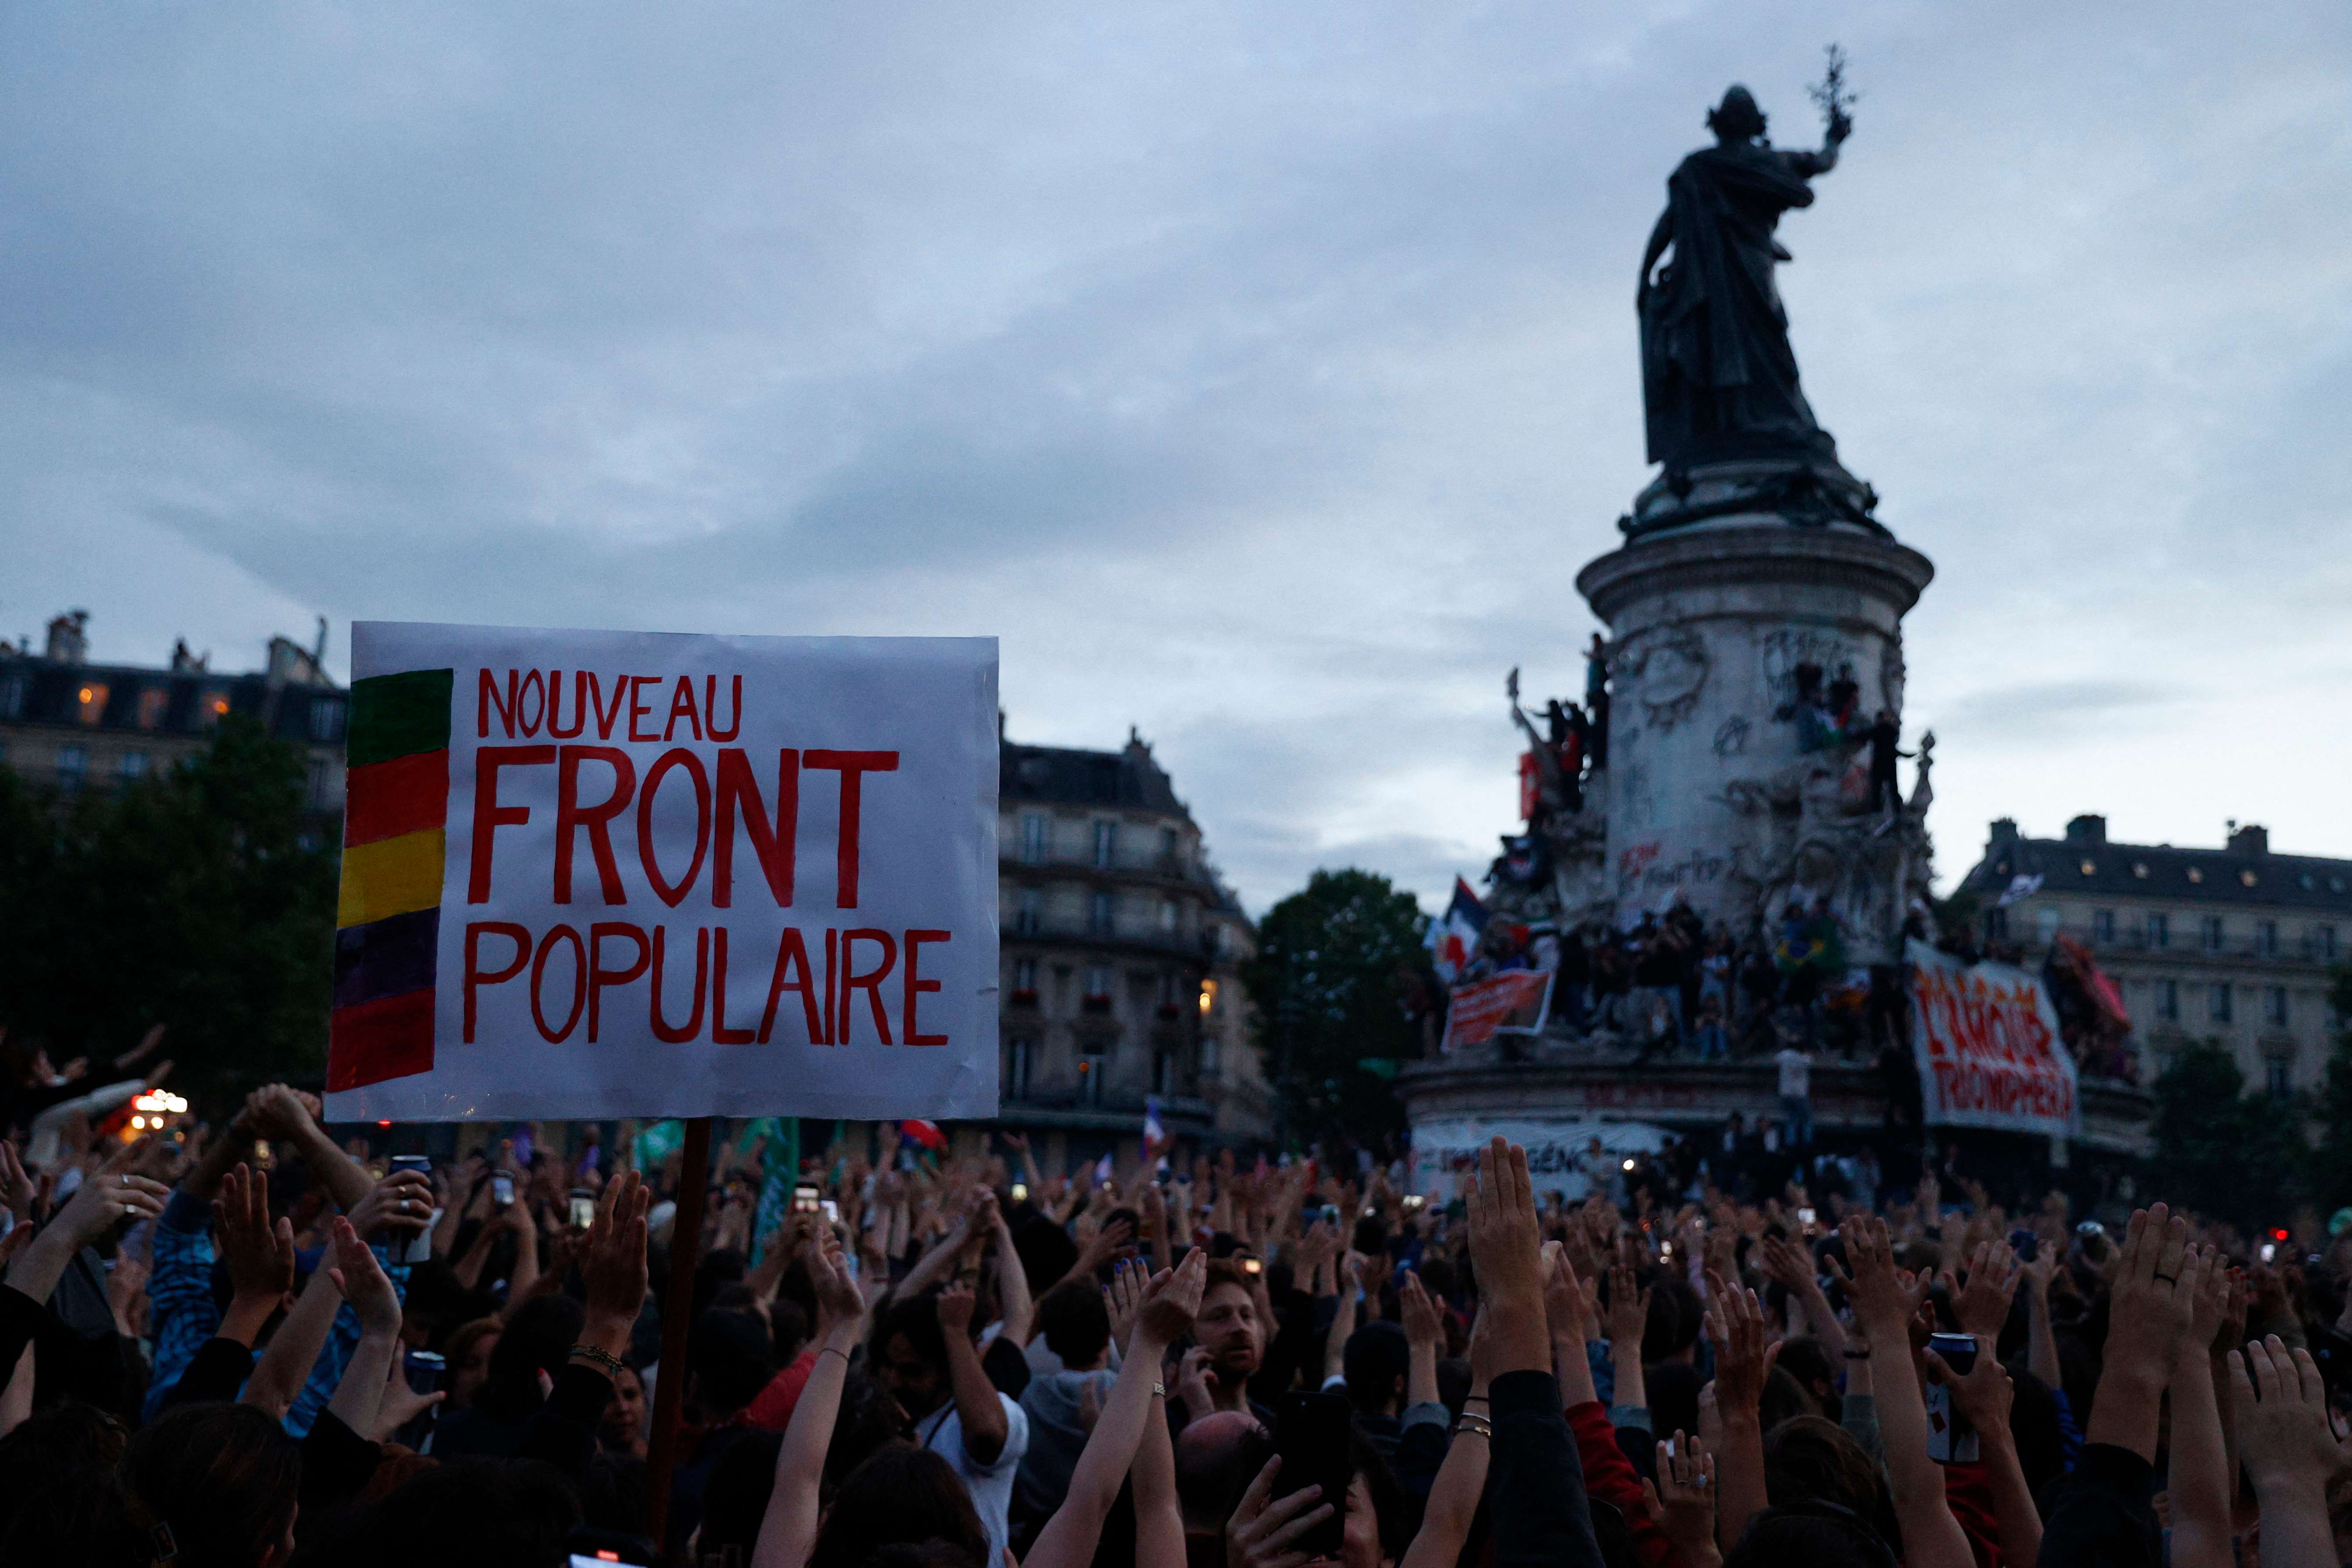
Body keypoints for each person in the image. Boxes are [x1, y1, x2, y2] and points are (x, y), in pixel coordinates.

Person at [873, 1283, 1031, 1565]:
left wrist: (955, 1333)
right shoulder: (889, 1418)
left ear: (946, 1371)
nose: (892, 1380)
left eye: (911, 1371)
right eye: (888, 1365)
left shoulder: (985, 1415)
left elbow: (986, 1432)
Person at [1775, 1041, 1814, 1148]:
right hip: (1800, 1094)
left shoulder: (1785, 1055)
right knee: (1807, 1120)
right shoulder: (1805, 1058)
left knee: (1791, 1120)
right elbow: (1811, 1061)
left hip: (1786, 1093)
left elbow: (1776, 1060)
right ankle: (1807, 1144)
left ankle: (1791, 1144)